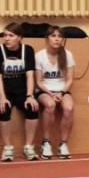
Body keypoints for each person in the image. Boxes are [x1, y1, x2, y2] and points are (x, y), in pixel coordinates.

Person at [0, 22, 39, 161]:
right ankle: (8, 147)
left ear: (19, 37)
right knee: (3, 108)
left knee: (33, 108)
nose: (7, 38)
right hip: (4, 90)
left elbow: (30, 75)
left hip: (22, 89)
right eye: (5, 35)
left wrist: (30, 95)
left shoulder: (27, 50)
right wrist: (2, 97)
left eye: (11, 35)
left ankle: (28, 147)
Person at [35, 25, 75, 159]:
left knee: (69, 108)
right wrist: (51, 94)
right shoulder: (39, 55)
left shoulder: (67, 54)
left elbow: (69, 79)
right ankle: (46, 142)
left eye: (59, 36)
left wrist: (61, 93)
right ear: (47, 39)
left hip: (62, 90)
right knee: (50, 105)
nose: (57, 39)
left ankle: (63, 144)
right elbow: (39, 82)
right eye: (53, 36)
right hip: (45, 90)